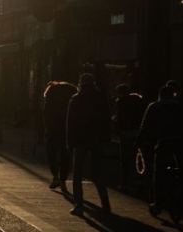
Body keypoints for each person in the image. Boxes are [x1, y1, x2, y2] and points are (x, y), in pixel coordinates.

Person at [66, 72, 112, 216]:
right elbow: (106, 119)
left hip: (80, 140)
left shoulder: (76, 99)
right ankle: (105, 203)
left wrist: (70, 142)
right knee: (99, 172)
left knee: (77, 173)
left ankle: (78, 204)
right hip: (97, 140)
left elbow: (70, 122)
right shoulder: (101, 98)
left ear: (80, 84)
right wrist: (106, 138)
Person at [137, 84, 183, 217]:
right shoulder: (179, 106)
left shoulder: (154, 106)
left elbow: (145, 125)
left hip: (164, 141)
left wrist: (139, 141)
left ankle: (158, 203)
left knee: (159, 172)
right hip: (180, 141)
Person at [42, 80, 77, 192]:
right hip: (67, 129)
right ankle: (62, 179)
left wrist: (46, 127)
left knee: (51, 152)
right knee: (65, 155)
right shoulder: (71, 91)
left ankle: (55, 176)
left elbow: (46, 112)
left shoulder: (51, 95)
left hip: (53, 128)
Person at [112, 83, 147, 193]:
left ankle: (125, 183)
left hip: (125, 133)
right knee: (138, 157)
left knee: (125, 158)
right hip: (137, 132)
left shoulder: (121, 102)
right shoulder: (139, 101)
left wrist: (117, 129)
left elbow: (119, 119)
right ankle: (139, 181)